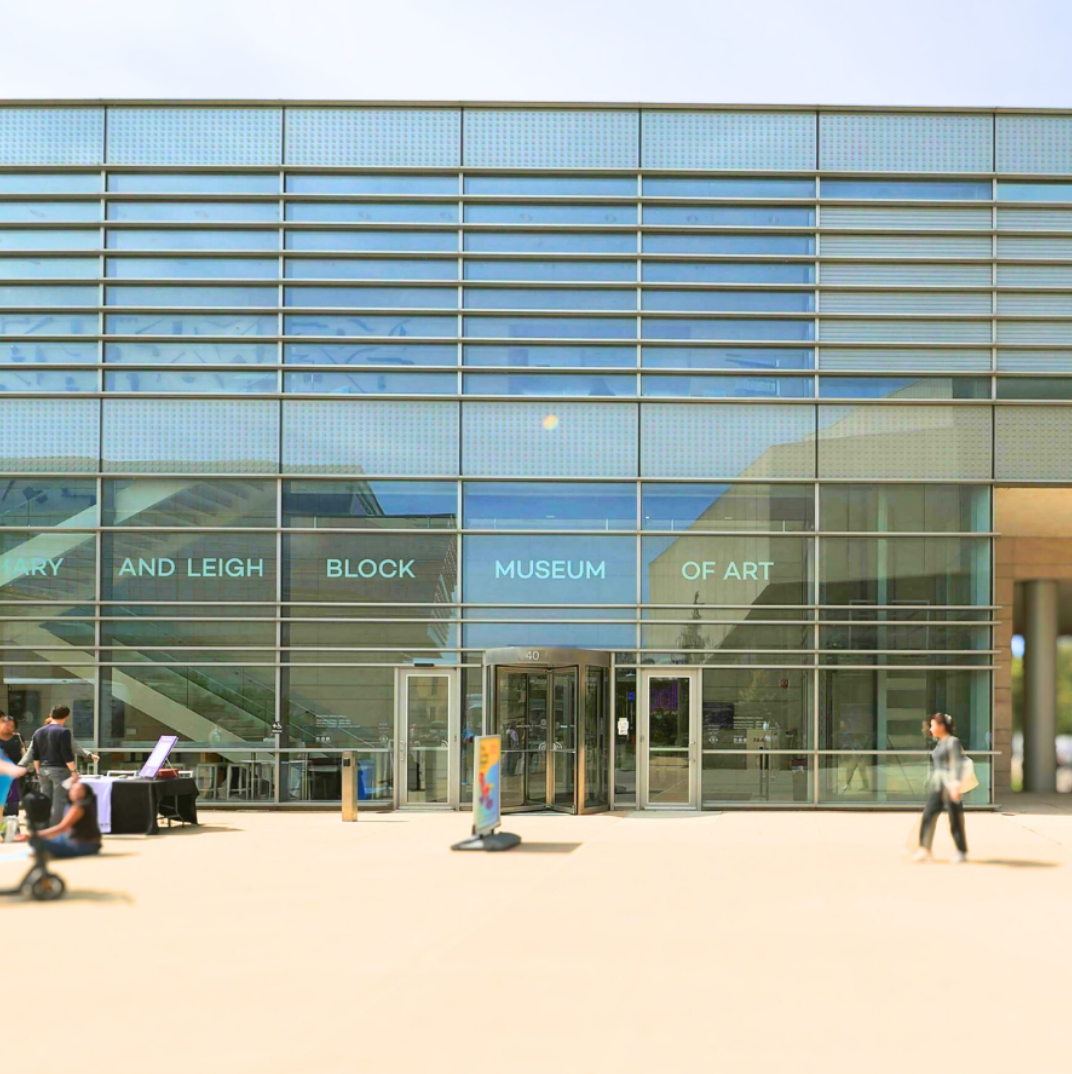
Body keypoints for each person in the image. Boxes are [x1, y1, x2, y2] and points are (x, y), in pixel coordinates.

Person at [914, 712, 969, 864]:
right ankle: (925, 849)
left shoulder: (953, 742)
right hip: (939, 785)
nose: (930, 729)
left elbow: (958, 762)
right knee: (928, 814)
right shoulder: (940, 743)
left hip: (950, 784)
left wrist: (956, 784)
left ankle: (961, 851)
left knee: (954, 818)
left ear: (942, 726)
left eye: (932, 725)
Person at [15, 781, 101, 859]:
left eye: (79, 790)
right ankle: (49, 851)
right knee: (59, 837)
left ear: (86, 792)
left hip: (84, 846)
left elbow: (62, 827)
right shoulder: (82, 805)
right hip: (89, 844)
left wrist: (33, 835)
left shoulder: (79, 806)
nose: (75, 792)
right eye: (73, 790)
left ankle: (50, 852)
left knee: (35, 840)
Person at [28, 705, 79, 827]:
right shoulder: (63, 732)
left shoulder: (38, 732)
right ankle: (56, 828)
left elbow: (35, 755)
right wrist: (74, 771)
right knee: (59, 801)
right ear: (66, 717)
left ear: (51, 715)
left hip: (42, 770)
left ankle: (43, 826)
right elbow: (66, 754)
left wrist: (38, 771)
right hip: (59, 770)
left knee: (45, 800)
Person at [0, 711, 26, 816]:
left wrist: (24, 764)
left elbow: (23, 751)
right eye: (6, 725)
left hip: (15, 771)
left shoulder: (18, 737)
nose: (9, 727)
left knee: (13, 799)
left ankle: (12, 822)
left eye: (12, 726)